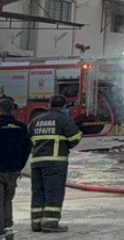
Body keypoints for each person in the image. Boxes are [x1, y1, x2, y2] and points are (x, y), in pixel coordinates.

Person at [0, 98, 32, 240]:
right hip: (12, 172)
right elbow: (27, 148)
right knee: (7, 200)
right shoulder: (21, 127)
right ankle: (8, 229)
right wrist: (19, 165)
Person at [29, 94, 82, 232]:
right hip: (55, 163)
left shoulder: (36, 120)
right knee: (53, 192)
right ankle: (50, 223)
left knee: (38, 192)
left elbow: (27, 140)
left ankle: (36, 222)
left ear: (49, 105)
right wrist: (66, 145)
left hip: (36, 163)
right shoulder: (63, 119)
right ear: (64, 106)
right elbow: (75, 137)